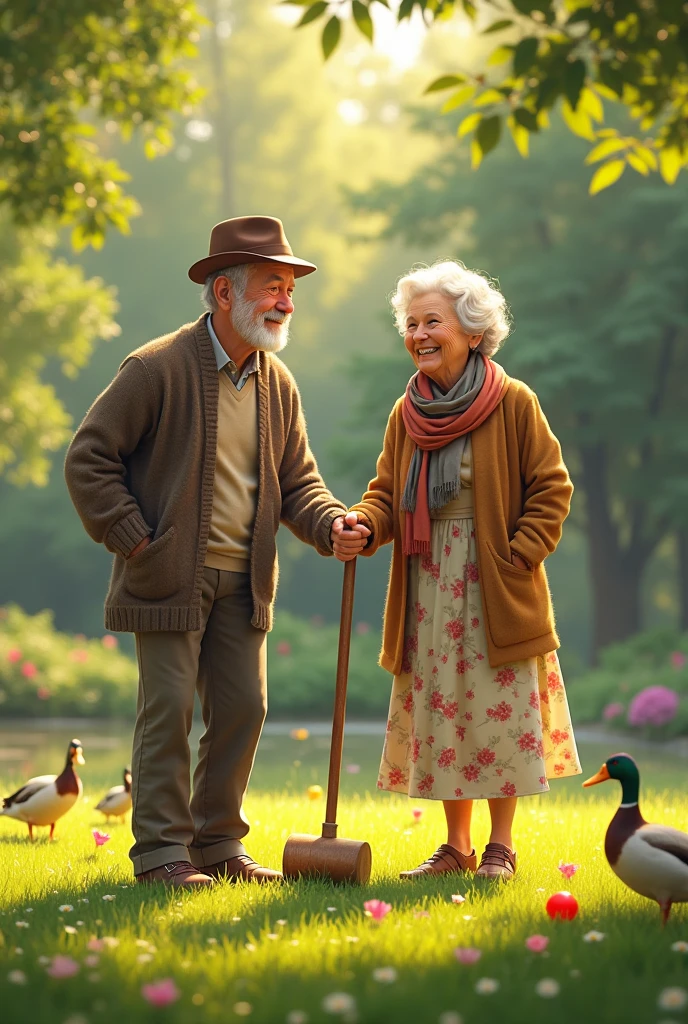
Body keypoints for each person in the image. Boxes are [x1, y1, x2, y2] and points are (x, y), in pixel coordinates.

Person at [65, 216, 369, 888]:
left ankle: (218, 846)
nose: (287, 299)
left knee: (244, 709)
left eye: (291, 287)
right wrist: (133, 535)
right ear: (225, 293)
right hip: (166, 576)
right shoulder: (155, 368)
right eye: (273, 285)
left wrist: (332, 525)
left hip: (244, 580)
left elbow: (299, 483)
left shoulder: (277, 384)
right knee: (168, 709)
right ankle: (161, 855)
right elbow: (89, 458)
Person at [333, 260, 580, 881]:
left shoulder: (513, 401)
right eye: (410, 323)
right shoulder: (407, 412)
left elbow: (552, 487)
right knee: (443, 712)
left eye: (432, 321)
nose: (418, 333)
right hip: (428, 583)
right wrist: (363, 523)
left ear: (471, 330)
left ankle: (501, 845)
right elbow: (387, 494)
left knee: (500, 711)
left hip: (496, 580)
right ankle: (457, 847)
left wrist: (519, 553)